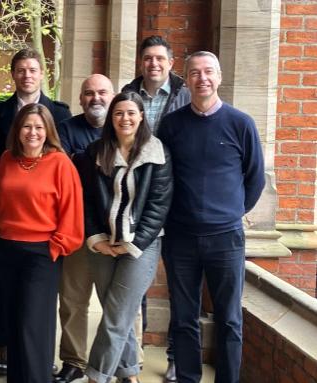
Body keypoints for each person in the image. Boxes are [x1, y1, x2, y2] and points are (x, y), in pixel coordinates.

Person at [157, 51, 264, 383]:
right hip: (181, 238)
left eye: (208, 72)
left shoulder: (240, 123)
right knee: (184, 317)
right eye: (194, 73)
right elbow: (162, 177)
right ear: (185, 80)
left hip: (226, 239)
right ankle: (188, 377)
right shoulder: (172, 125)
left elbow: (255, 178)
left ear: (219, 77)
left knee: (229, 318)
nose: (202, 78)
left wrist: (230, 212)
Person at [77, 92, 173, 383]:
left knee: (117, 315)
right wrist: (98, 240)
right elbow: (88, 201)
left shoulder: (158, 153)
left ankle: (97, 376)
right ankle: (129, 374)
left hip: (142, 247)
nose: (125, 119)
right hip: (102, 244)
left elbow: (158, 208)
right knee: (117, 313)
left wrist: (131, 245)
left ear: (142, 116)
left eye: (131, 113)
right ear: (111, 117)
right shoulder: (96, 151)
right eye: (119, 113)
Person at [0, 48, 71, 375]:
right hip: (8, 247)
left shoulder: (59, 161)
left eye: (38, 128)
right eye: (26, 127)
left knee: (33, 325)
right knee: (12, 319)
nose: (32, 132)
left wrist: (56, 247)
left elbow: (70, 209)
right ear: (17, 130)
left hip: (42, 252)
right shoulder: (8, 158)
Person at [120, 35, 191, 382]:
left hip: (177, 200)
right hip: (137, 199)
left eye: (160, 58)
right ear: (141, 62)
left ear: (171, 62)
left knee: (180, 284)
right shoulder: (128, 92)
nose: (153, 64)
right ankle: (131, 358)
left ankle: (176, 356)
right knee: (136, 285)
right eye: (148, 58)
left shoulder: (184, 93)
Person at [54, 74, 115, 383]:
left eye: (102, 92)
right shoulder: (65, 129)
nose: (96, 98)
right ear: (80, 99)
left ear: (113, 96)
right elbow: (64, 175)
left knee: (118, 302)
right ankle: (74, 361)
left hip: (115, 233)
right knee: (73, 301)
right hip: (77, 229)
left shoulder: (123, 126)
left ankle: (125, 363)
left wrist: (83, 161)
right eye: (89, 93)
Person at [0, 48, 71, 157]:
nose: (27, 76)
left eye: (32, 70)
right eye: (21, 71)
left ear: (42, 74)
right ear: (13, 74)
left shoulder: (60, 113)